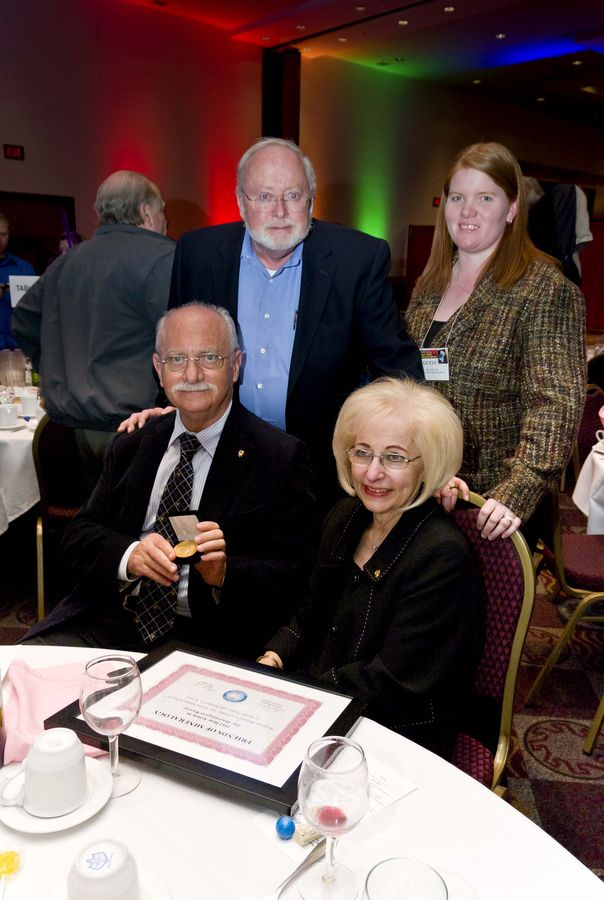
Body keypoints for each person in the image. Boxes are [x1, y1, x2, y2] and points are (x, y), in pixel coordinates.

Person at [133, 137, 423, 508]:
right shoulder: (198, 254)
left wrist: (418, 449)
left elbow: (395, 366)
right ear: (241, 202)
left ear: (311, 202)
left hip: (320, 470)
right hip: (219, 458)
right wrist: (171, 408)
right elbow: (174, 344)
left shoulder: (357, 259)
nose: (281, 211)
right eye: (265, 197)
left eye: (293, 196)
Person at [22, 303, 318, 656]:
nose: (192, 374)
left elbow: (299, 575)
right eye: (177, 360)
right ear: (158, 370)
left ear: (236, 365)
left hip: (211, 636)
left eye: (209, 358)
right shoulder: (134, 443)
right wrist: (130, 556)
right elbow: (79, 535)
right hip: (112, 620)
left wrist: (225, 573)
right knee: (21, 676)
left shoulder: (280, 458)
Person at [257, 377, 485, 760]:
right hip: (324, 702)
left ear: (427, 464)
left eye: (394, 457)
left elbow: (392, 682)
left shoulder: (441, 556)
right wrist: (275, 656)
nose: (371, 473)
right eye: (362, 452)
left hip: (394, 731)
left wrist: (293, 694)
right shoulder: (346, 516)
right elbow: (309, 609)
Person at [405, 142, 585, 547]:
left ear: (511, 209)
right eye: (458, 197)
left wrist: (516, 492)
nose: (467, 211)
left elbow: (555, 406)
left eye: (485, 198)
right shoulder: (430, 283)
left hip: (490, 505)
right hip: (426, 486)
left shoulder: (544, 290)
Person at [11, 170, 175, 487]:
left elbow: (23, 320)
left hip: (61, 431)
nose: (165, 219)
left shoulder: (65, 262)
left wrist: (53, 367)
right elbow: (181, 340)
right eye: (162, 210)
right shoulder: (163, 258)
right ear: (145, 212)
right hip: (133, 428)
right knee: (135, 531)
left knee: (81, 528)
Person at [0, 212, 35, 350]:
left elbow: (35, 309)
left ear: (9, 234)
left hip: (18, 346)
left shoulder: (24, 268)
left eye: (3, 234)